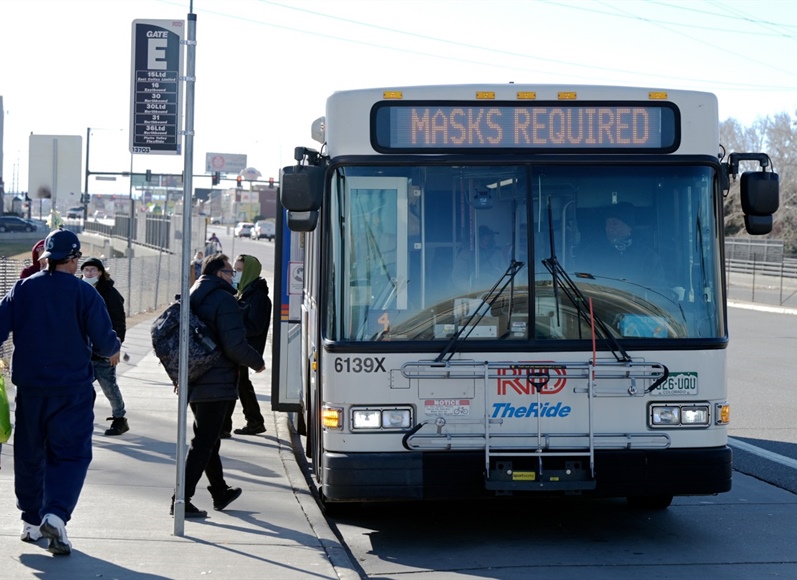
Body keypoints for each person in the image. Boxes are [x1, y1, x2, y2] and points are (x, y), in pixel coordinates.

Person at [0, 229, 121, 555]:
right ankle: (55, 514)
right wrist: (113, 348)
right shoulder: (84, 293)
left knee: (29, 454)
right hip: (72, 391)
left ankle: (30, 521)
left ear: (46, 258)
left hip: (30, 389)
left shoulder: (22, 288)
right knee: (70, 453)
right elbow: (105, 340)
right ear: (73, 258)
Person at [172, 253, 266, 518]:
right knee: (203, 442)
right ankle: (180, 499)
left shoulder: (193, 294)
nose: (232, 276)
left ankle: (220, 491)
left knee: (208, 439)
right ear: (218, 273)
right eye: (229, 271)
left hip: (195, 377)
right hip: (217, 380)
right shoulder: (223, 299)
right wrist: (256, 362)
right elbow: (234, 343)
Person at [222, 254, 272, 437]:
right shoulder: (244, 292)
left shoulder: (258, 297)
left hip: (245, 349)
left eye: (240, 270)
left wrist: (234, 328)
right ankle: (254, 421)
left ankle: (225, 426)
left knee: (234, 385)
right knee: (241, 384)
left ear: (250, 271)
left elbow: (256, 327)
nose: (236, 274)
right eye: (234, 270)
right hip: (240, 347)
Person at [80, 257, 129, 436]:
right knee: (81, 386)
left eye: (93, 270)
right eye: (86, 270)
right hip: (82, 351)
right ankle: (83, 417)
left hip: (103, 350)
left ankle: (120, 418)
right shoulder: (77, 289)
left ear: (100, 272)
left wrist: (115, 346)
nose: (89, 273)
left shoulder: (110, 293)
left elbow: (118, 322)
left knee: (109, 386)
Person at [575, 202, 664, 282]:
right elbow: (581, 282)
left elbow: (659, 290)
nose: (609, 229)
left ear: (629, 227)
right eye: (608, 224)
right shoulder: (589, 254)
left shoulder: (649, 257)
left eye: (615, 224)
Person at [452, 224, 508, 292]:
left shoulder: (497, 254)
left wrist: (503, 288)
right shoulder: (466, 254)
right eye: (487, 239)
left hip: (494, 292)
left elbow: (506, 273)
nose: (491, 242)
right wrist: (471, 289)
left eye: (492, 239)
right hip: (474, 292)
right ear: (478, 240)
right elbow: (458, 277)